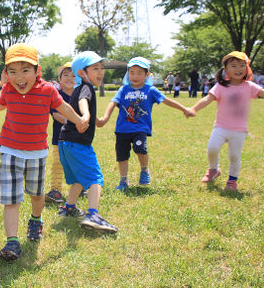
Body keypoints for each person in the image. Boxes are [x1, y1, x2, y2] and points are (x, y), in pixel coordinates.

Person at [0, 43, 87, 261]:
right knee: (11, 198)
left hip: (37, 153)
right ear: (6, 73)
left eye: (25, 71)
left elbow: (63, 108)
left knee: (36, 194)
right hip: (10, 149)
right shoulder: (8, 90)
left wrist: (78, 120)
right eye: (12, 71)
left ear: (37, 71)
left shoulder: (48, 90)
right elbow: (0, 104)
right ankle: (12, 242)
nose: (18, 77)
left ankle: (36, 219)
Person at [187, 51, 264, 191]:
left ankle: (232, 181)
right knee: (212, 149)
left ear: (247, 68)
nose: (238, 69)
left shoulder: (249, 86)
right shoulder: (220, 86)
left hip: (239, 130)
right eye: (234, 66)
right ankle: (214, 169)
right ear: (225, 70)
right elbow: (207, 99)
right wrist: (194, 109)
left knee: (234, 156)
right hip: (220, 127)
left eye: (242, 65)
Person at [98, 57, 191, 191]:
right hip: (122, 129)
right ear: (128, 73)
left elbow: (167, 101)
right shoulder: (123, 89)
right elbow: (112, 103)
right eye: (132, 72)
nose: (135, 76)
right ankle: (123, 180)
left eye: (139, 73)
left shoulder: (150, 90)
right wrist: (105, 117)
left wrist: (184, 109)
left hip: (140, 129)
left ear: (147, 74)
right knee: (122, 156)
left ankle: (144, 170)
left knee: (140, 148)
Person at [57, 51, 119, 234]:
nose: (101, 72)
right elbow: (84, 101)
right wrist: (86, 115)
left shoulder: (78, 89)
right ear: (83, 73)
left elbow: (80, 102)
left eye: (101, 68)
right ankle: (93, 215)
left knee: (77, 179)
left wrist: (95, 120)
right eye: (95, 68)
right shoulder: (86, 88)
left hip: (65, 142)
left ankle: (69, 208)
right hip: (78, 144)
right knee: (94, 179)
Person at [45, 62, 75, 204]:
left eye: (74, 75)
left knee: (76, 163)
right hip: (60, 138)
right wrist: (74, 122)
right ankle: (56, 190)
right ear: (60, 79)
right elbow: (56, 115)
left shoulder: (80, 96)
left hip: (78, 139)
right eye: (66, 75)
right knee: (58, 164)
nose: (70, 78)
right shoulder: (57, 96)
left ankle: (79, 188)